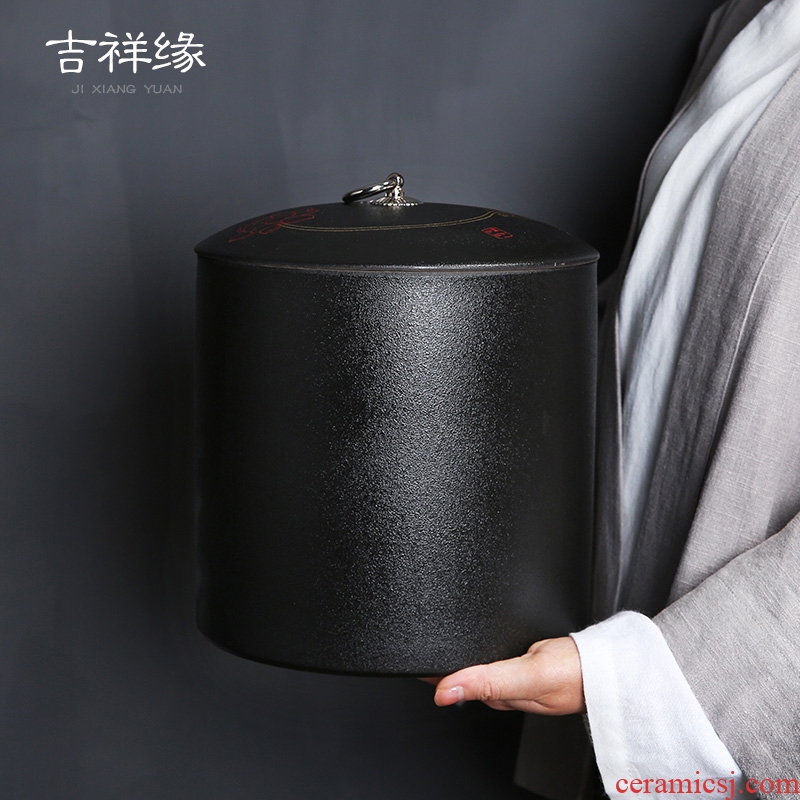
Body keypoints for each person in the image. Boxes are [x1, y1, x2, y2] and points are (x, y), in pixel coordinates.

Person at [431, 0, 800, 796]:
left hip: (713, 699)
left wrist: (643, 677)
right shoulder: (749, 18)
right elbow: (671, 321)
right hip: (618, 625)